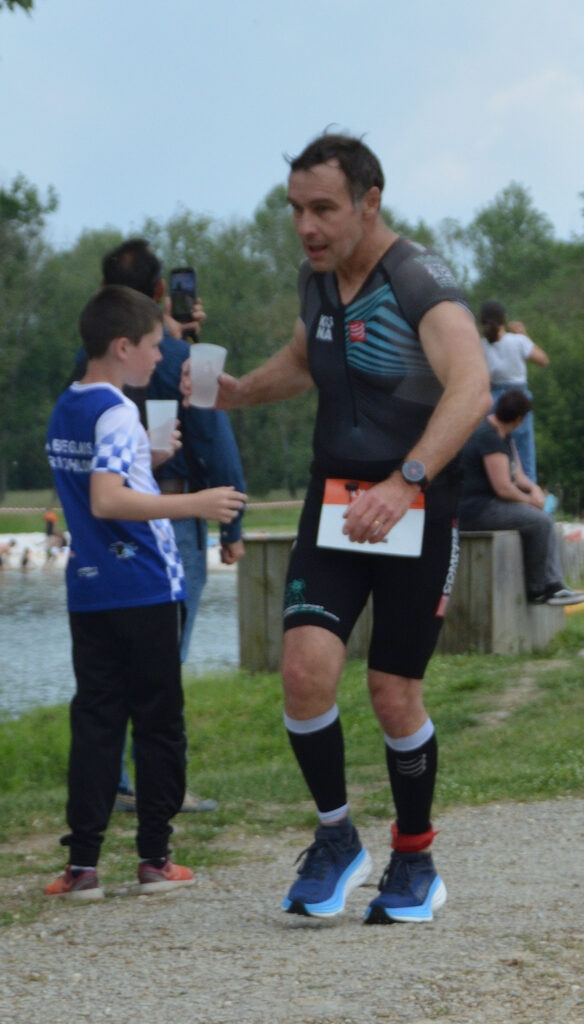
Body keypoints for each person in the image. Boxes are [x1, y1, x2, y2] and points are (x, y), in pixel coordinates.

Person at [198, 132, 492, 923]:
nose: (307, 226)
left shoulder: (419, 281)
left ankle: (416, 859)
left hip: (415, 506)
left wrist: (406, 480)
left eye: (323, 208)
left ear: (370, 202)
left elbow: (472, 388)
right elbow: (305, 360)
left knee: (393, 692)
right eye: (296, 209)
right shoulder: (318, 280)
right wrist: (239, 392)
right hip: (335, 503)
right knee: (303, 671)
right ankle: (336, 839)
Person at [44, 284, 246, 900]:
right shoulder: (116, 411)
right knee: (159, 723)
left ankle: (83, 867)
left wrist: (147, 459)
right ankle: (155, 859)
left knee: (97, 721)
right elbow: (108, 500)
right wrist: (199, 503)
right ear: (122, 346)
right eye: (155, 346)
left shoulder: (67, 405)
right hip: (146, 586)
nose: (161, 357)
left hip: (89, 588)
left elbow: (95, 485)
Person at [88, 238, 247, 813]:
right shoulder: (187, 360)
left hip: (103, 519)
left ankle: (111, 778)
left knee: (110, 657)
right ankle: (158, 784)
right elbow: (212, 436)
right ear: (162, 292)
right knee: (164, 657)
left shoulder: (92, 360)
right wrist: (233, 524)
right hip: (174, 516)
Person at [458, 389, 583, 606]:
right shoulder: (489, 438)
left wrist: (534, 490)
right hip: (477, 509)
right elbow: (503, 488)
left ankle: (554, 584)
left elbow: (518, 475)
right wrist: (530, 502)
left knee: (543, 520)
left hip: (489, 504)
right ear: (519, 419)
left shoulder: (503, 435)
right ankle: (540, 589)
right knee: (541, 522)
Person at [479, 300, 549, 483]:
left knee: (495, 445)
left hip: (492, 398)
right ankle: (527, 487)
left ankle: (498, 484)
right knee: (523, 447)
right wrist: (525, 335)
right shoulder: (518, 341)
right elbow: (543, 360)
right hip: (518, 398)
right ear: (505, 318)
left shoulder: (481, 345)